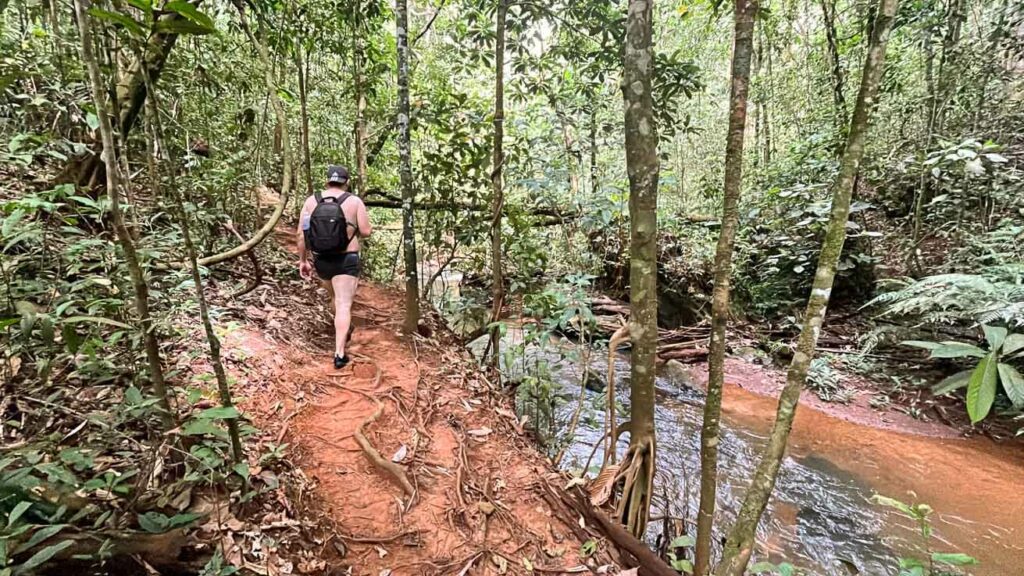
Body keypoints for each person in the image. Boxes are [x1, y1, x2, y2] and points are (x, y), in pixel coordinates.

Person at [297, 165, 372, 369]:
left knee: (335, 299)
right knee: (344, 304)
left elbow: (302, 235)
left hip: (322, 259)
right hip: (347, 258)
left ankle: (342, 330)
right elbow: (365, 232)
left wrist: (303, 260)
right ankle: (339, 353)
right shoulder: (354, 201)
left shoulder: (311, 201)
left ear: (327, 180)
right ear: (346, 182)